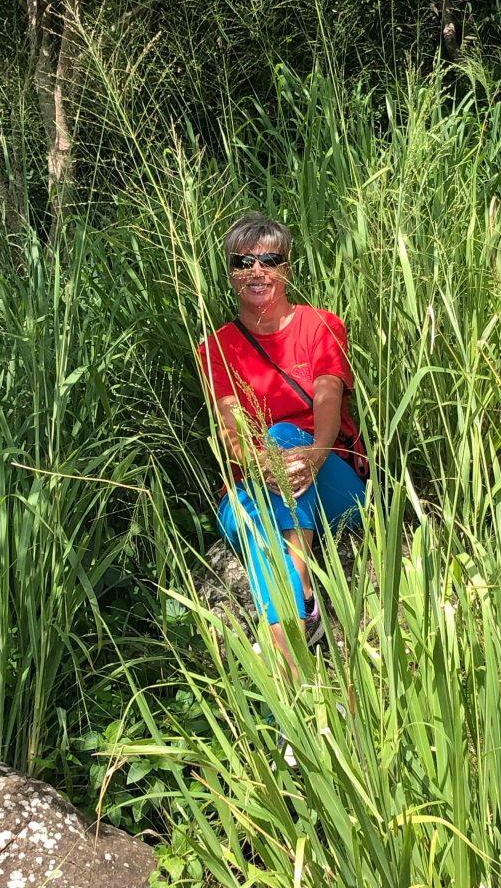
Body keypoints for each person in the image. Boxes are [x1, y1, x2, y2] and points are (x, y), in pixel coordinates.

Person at [197, 213, 367, 673]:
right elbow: (231, 428)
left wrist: (315, 452)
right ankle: (299, 620)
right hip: (255, 484)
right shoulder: (217, 348)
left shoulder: (321, 325)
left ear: (288, 267)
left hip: (333, 482)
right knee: (257, 527)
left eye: (269, 260)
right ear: (230, 273)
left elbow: (328, 396)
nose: (257, 270)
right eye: (243, 261)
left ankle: (288, 664)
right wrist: (260, 465)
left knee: (282, 435)